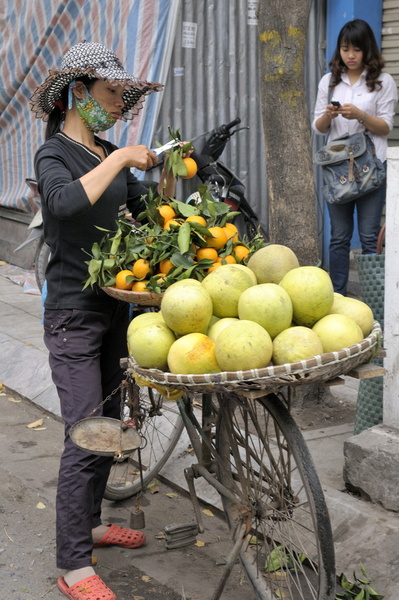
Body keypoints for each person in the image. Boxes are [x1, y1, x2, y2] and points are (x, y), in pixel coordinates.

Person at [30, 41, 180, 600]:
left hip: (117, 308)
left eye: (123, 95)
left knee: (111, 424)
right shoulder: (57, 155)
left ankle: (92, 522)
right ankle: (73, 564)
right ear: (78, 92)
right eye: (111, 93)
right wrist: (120, 158)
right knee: (84, 431)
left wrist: (168, 175)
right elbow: (65, 205)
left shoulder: (108, 151)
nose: (119, 104)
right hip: (72, 313)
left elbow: (149, 211)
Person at [312, 19, 397, 295]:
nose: (350, 56)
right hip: (337, 170)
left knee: (370, 237)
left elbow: (386, 126)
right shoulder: (329, 82)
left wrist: (360, 115)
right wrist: (328, 114)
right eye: (346, 49)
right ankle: (338, 296)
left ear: (367, 50)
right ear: (339, 50)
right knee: (339, 237)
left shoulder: (383, 82)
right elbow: (318, 128)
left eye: (357, 50)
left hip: (372, 168)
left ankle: (374, 301)